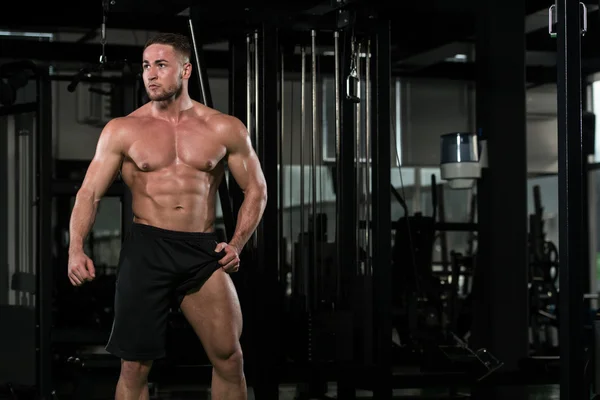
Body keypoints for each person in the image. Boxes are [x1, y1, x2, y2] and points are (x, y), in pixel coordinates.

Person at [67, 32, 267, 400]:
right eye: (146, 65)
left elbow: (256, 189)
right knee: (133, 366)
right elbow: (89, 193)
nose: (150, 74)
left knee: (229, 357)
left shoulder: (224, 127)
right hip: (148, 249)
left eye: (161, 65)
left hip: (202, 250)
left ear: (186, 70)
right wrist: (75, 248)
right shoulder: (123, 130)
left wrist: (237, 243)